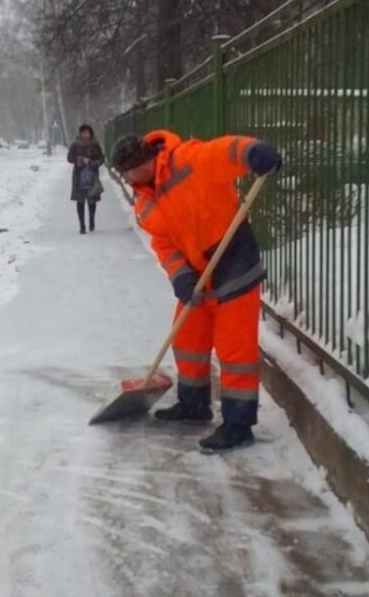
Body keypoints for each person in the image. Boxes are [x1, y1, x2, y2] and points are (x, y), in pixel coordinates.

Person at [111, 129, 281, 452]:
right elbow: (163, 244)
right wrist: (181, 276)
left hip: (233, 258)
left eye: (131, 171)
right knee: (188, 338)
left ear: (144, 160)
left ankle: (238, 424)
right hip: (198, 270)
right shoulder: (144, 202)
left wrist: (253, 153)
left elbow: (225, 151)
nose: (130, 178)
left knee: (234, 349)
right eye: (125, 174)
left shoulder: (186, 160)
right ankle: (193, 405)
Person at [67, 124, 105, 234]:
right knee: (80, 200)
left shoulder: (95, 145)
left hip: (92, 175)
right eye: (83, 133)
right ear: (80, 134)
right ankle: (82, 226)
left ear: (91, 134)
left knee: (92, 199)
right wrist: (79, 159)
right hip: (79, 175)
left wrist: (95, 163)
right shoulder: (75, 145)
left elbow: (101, 157)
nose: (86, 135)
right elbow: (69, 157)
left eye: (87, 133)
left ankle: (91, 220)